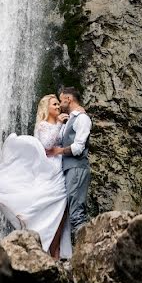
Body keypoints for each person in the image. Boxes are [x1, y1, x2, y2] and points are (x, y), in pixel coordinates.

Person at [0, 95, 72, 259]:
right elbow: (46, 145)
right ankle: (49, 251)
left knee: (61, 212)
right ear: (46, 108)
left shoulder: (58, 125)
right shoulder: (42, 125)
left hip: (59, 170)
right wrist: (60, 123)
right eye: (54, 104)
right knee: (50, 208)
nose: (58, 107)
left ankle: (55, 252)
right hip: (49, 171)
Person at [46, 86, 91, 239]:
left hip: (77, 169)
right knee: (73, 212)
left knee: (77, 213)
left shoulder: (82, 119)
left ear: (68, 99)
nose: (59, 104)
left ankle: (87, 251)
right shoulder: (70, 119)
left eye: (61, 100)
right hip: (69, 169)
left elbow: (79, 147)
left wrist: (58, 151)